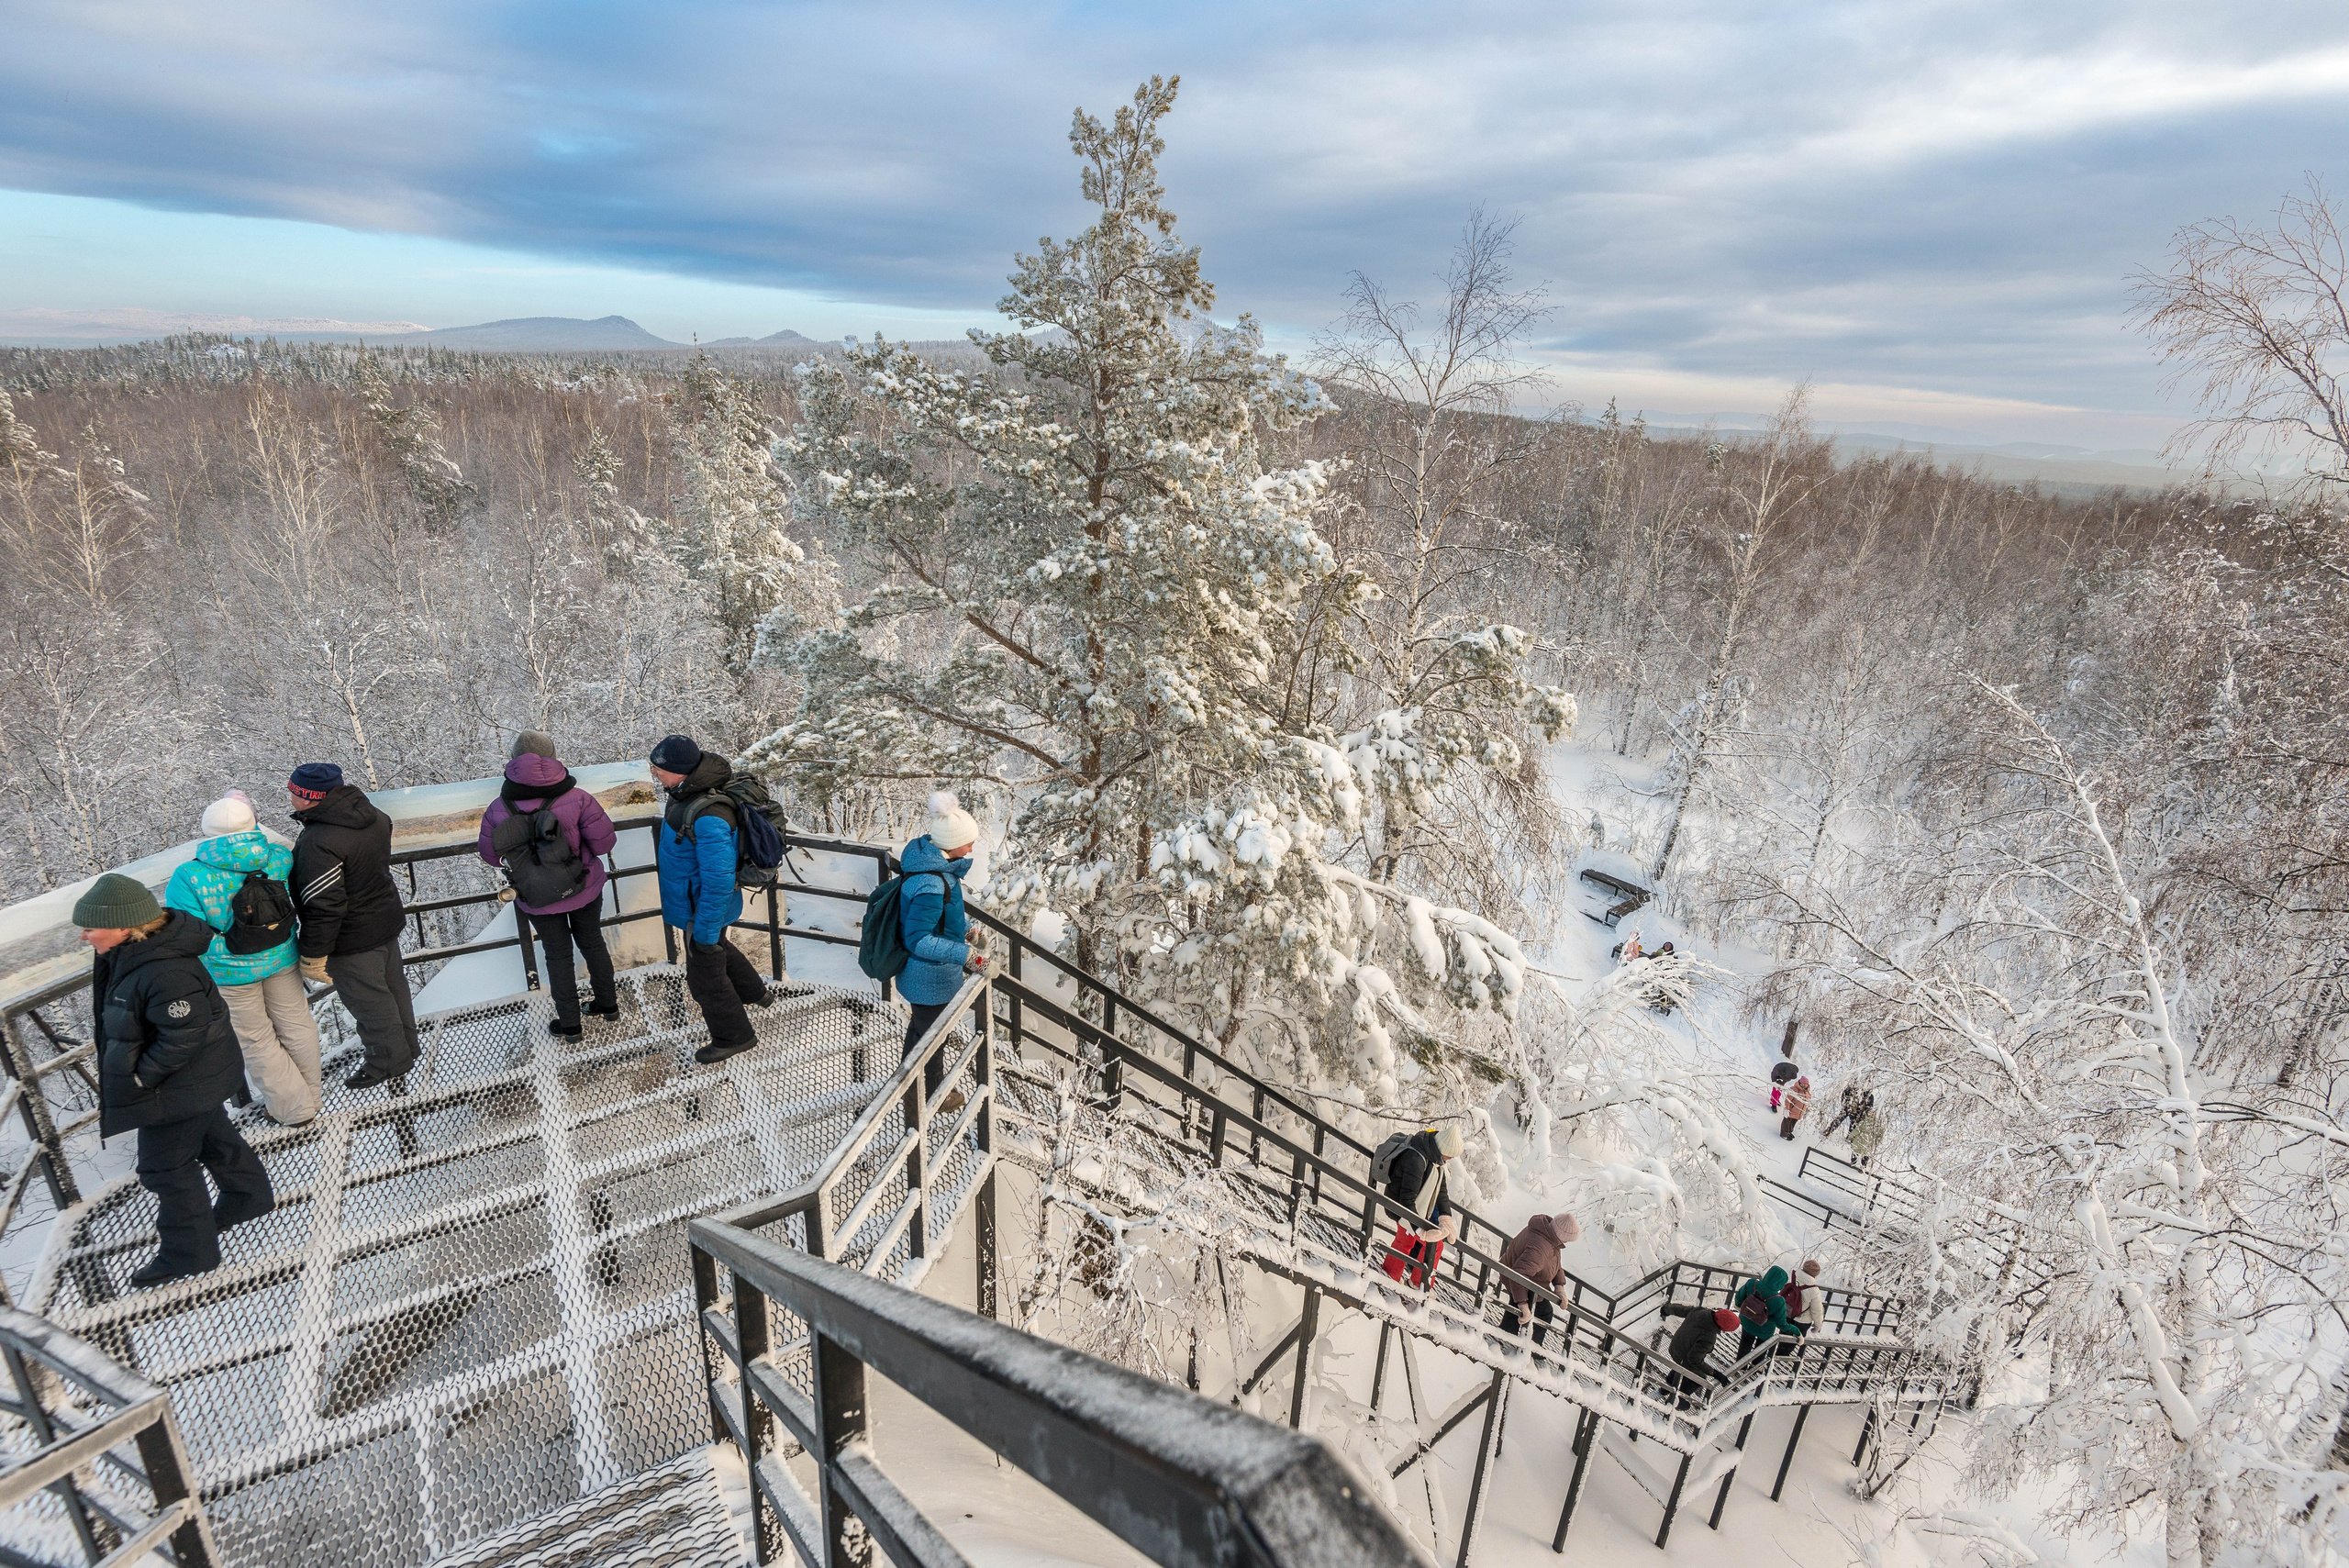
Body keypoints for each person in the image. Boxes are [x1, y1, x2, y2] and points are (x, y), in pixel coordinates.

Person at [78, 873, 274, 1286]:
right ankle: (248, 1197)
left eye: (91, 927)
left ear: (123, 926)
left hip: (178, 1084)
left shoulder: (163, 970)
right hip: (193, 1081)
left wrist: (140, 1078)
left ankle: (189, 1253)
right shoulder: (136, 956)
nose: (84, 936)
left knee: (164, 1168)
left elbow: (185, 1031)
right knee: (211, 1135)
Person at [164, 790, 322, 1125]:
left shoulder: (187, 876)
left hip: (229, 971)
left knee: (257, 1040)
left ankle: (295, 1110)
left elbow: (188, 933)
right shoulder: (278, 858)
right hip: (281, 955)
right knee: (297, 1023)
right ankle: (312, 1096)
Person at [287, 762, 417, 1090]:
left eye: (293, 791)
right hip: (384, 919)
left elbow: (325, 905)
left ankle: (387, 1062)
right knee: (393, 990)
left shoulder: (320, 841)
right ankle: (407, 1048)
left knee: (370, 1003)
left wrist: (314, 953)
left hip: (352, 938)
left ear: (308, 797)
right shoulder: (371, 815)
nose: (289, 796)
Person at [480, 738, 619, 1039]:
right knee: (593, 943)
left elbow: (491, 856)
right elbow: (604, 843)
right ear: (553, 758)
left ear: (514, 761)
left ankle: (570, 1025)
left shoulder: (497, 808)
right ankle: (608, 1006)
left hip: (536, 896)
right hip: (582, 887)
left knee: (557, 955)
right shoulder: (579, 798)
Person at [651, 735, 770, 1064]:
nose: (654, 773)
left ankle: (735, 1036)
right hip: (699, 903)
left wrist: (702, 929)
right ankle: (755, 993)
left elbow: (718, 881)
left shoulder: (709, 815)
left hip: (703, 908)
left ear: (681, 771)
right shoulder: (686, 793)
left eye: (659, 768)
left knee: (705, 976)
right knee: (718, 948)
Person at [896, 792, 985, 1065]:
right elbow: (919, 940)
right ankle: (932, 1094)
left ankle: (909, 1085)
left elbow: (944, 916)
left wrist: (968, 932)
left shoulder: (937, 869)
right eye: (968, 843)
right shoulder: (932, 883)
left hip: (930, 976)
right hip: (927, 978)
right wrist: (969, 957)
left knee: (922, 1031)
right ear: (953, 843)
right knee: (933, 1040)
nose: (971, 849)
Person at [1380, 1125, 1463, 1288]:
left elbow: (1442, 1191)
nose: (1451, 1159)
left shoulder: (1435, 1159)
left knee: (1408, 1242)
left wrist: (1445, 1217)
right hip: (1402, 1208)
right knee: (1429, 1244)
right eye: (1451, 1155)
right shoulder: (1417, 1159)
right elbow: (1407, 1198)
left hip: (1414, 1210)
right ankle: (1415, 1283)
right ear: (1444, 1148)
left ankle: (1394, 1276)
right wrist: (1420, 1230)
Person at [1497, 1212, 1579, 1345]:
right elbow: (1519, 1274)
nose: (1566, 1243)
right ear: (1561, 1235)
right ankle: (1532, 1348)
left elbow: (1554, 1262)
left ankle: (1505, 1333)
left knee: (1515, 1306)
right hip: (1519, 1279)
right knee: (1544, 1313)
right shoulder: (1541, 1247)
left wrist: (1559, 1286)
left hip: (1524, 1276)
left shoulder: (1548, 1233)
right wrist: (1523, 1304)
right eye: (1567, 1239)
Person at [1658, 1302, 1738, 1402]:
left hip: (1675, 1346)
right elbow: (1694, 1360)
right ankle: (1677, 1400)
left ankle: (1666, 1387)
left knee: (1685, 1366)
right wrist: (1716, 1374)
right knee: (1700, 1378)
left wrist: (1666, 1309)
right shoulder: (1709, 1337)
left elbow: (1681, 1309)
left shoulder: (1700, 1311)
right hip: (1683, 1355)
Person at [1732, 1264, 1803, 1358]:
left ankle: (1740, 1366)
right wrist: (1797, 1331)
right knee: (1761, 1348)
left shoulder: (1752, 1283)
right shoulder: (1779, 1301)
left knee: (1745, 1342)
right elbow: (1781, 1324)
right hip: (1764, 1330)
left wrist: (1740, 1308)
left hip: (1747, 1320)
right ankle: (1756, 1368)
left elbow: (1738, 1297)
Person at [1783, 1259, 1827, 1334]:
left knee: (1782, 1338)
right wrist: (1818, 1325)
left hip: (1787, 1314)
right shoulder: (1814, 1290)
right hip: (1802, 1321)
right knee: (1792, 1343)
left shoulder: (1793, 1279)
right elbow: (1817, 1310)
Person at [1779, 1074, 1811, 1140]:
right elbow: (1788, 1100)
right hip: (1791, 1110)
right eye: (1803, 1083)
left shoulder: (1807, 1092)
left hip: (1799, 1112)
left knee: (1792, 1123)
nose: (1805, 1085)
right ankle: (1784, 1134)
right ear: (1800, 1083)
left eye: (1806, 1084)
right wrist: (1787, 1109)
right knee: (1787, 1123)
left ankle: (1789, 1132)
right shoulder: (1794, 1089)